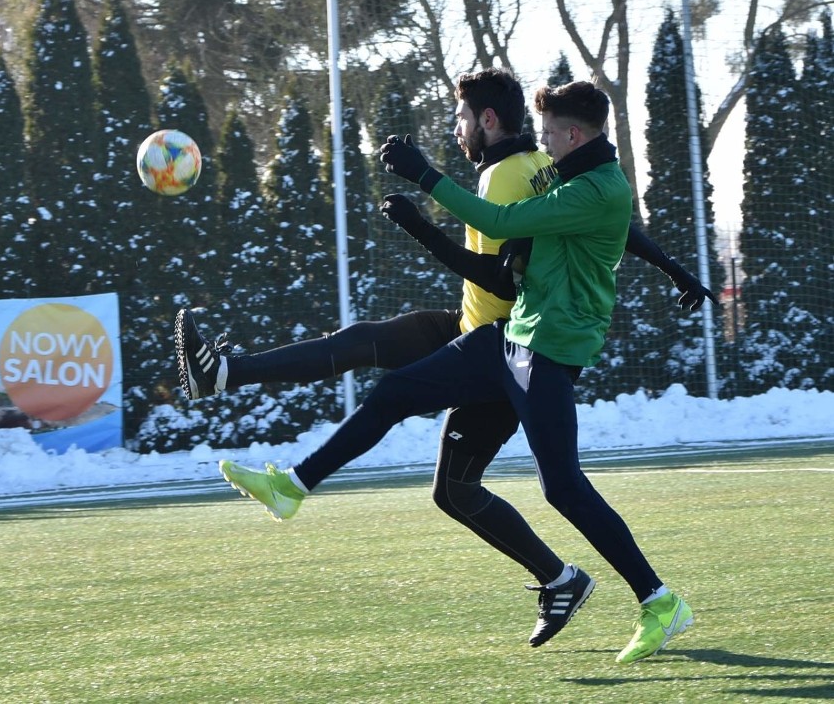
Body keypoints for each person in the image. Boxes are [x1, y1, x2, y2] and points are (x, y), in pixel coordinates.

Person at [216, 81, 697, 664]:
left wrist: (424, 178)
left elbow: (499, 216)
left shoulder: (595, 187)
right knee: (397, 389)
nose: (541, 145)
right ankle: (292, 485)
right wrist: (674, 268)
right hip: (510, 336)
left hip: (548, 350)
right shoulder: (573, 174)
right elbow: (603, 229)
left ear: (573, 135)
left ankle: (659, 600)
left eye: (549, 135)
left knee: (562, 487)